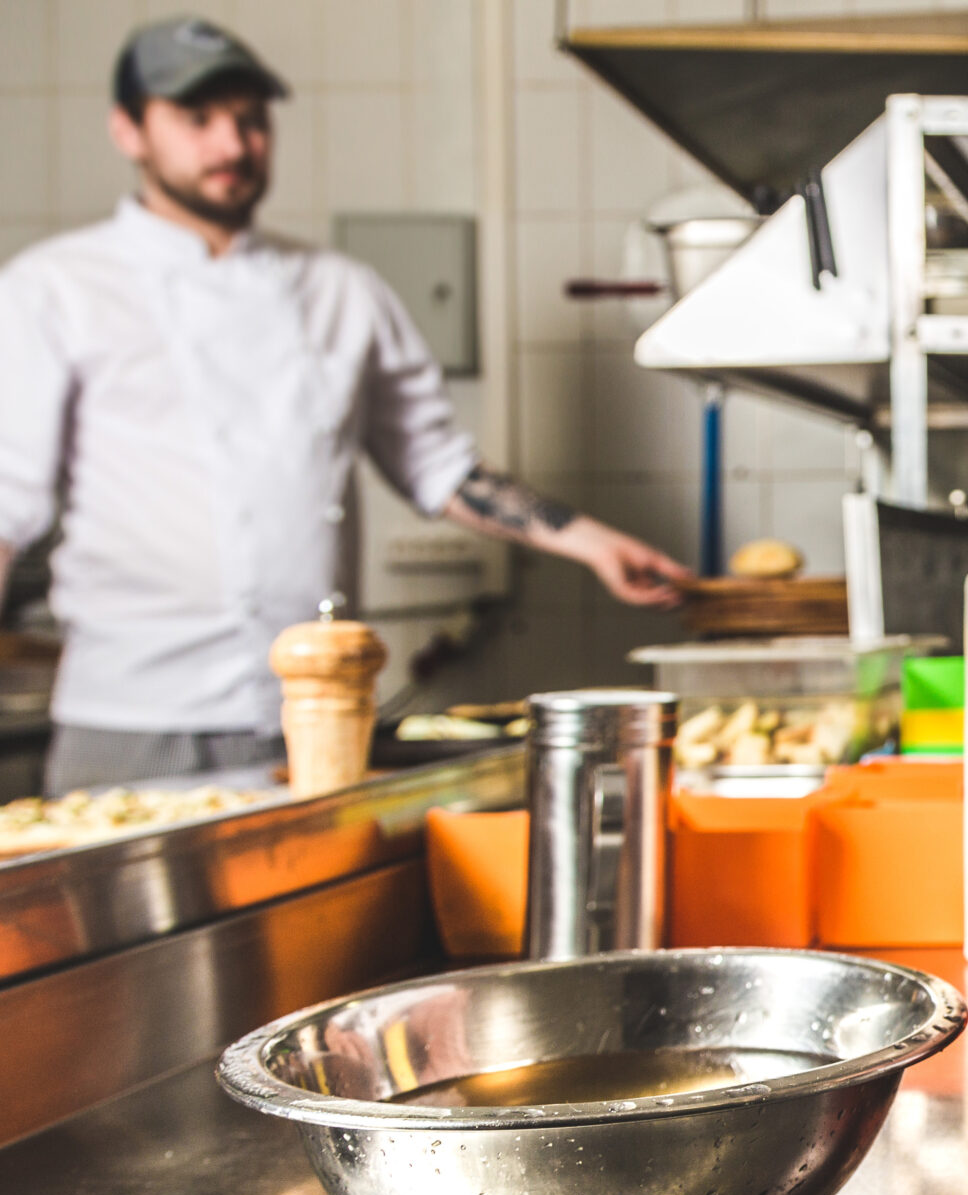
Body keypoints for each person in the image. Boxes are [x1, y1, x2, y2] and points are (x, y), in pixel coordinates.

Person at [0, 17, 690, 794]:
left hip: (314, 715)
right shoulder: (53, 289)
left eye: (249, 120)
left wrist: (592, 542)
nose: (232, 144)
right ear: (128, 129)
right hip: (129, 718)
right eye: (197, 120)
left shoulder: (341, 291)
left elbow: (440, 466)